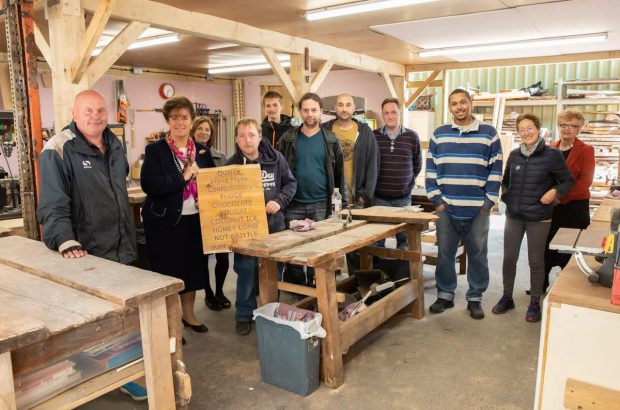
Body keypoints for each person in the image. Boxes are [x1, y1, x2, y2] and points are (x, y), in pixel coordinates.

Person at [37, 89, 145, 401]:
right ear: (74, 112)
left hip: (122, 247)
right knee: (98, 326)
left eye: (100, 110)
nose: (95, 116)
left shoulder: (114, 143)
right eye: (88, 110)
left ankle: (126, 371)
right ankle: (109, 376)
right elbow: (52, 205)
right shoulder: (58, 148)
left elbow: (118, 186)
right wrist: (64, 239)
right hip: (88, 253)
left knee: (126, 319)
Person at [425, 88, 503, 320]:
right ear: (449, 107)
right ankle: (446, 294)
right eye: (454, 104)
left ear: (470, 103)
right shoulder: (439, 134)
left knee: (478, 254)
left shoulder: (489, 134)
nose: (459, 107)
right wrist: (437, 201)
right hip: (446, 209)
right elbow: (431, 170)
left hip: (478, 209)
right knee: (445, 254)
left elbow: (496, 169)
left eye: (463, 102)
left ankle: (475, 297)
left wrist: (488, 202)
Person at [141, 96, 214, 336]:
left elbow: (212, 182)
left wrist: (207, 194)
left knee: (193, 271)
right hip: (165, 223)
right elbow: (149, 184)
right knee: (169, 273)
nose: (180, 122)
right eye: (174, 117)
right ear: (167, 120)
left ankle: (189, 316)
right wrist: (182, 177)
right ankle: (172, 325)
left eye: (184, 117)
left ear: (191, 120)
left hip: (195, 220)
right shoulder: (156, 150)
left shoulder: (201, 151)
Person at [492, 114, 574, 322]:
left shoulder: (552, 155)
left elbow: (567, 181)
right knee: (509, 259)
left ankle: (535, 302)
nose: (526, 132)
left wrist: (554, 192)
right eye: (521, 129)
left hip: (539, 217)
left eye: (529, 128)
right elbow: (506, 181)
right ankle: (507, 297)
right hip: (514, 216)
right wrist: (506, 197)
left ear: (538, 129)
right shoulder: (514, 155)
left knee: (536, 261)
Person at [227, 118, 296, 335]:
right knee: (246, 271)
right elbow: (222, 197)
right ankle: (243, 315)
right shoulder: (231, 165)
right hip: (245, 231)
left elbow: (291, 183)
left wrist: (279, 201)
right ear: (236, 139)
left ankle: (269, 312)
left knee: (273, 272)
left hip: (274, 227)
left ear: (259, 137)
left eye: (251, 135)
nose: (247, 140)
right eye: (242, 135)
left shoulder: (276, 159)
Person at [277, 92, 345, 286]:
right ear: (300, 112)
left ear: (321, 112)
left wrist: (341, 207)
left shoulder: (332, 140)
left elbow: (340, 176)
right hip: (293, 205)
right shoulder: (288, 139)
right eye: (305, 110)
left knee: (320, 253)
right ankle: (299, 294)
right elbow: (278, 171)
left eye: (314, 110)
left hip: (322, 205)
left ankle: (317, 293)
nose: (310, 114)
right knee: (294, 255)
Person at [542, 109, 595, 292]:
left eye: (573, 126)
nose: (567, 129)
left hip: (574, 207)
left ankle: (567, 289)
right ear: (559, 126)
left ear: (579, 129)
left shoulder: (586, 150)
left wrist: (560, 197)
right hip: (550, 207)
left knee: (569, 248)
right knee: (546, 246)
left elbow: (585, 181)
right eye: (564, 124)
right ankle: (541, 285)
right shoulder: (550, 148)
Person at [190, 116, 231, 311]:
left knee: (223, 257)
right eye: (200, 128)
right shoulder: (186, 156)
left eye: (207, 129)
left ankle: (220, 291)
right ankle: (208, 293)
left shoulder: (220, 156)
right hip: (197, 212)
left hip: (218, 211)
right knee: (203, 257)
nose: (204, 132)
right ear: (193, 130)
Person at [373, 97, 422, 249]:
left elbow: (417, 164)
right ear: (382, 115)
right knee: (377, 240)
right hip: (379, 199)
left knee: (404, 240)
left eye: (394, 112)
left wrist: (406, 183)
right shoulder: (374, 137)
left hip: (403, 199)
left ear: (400, 112)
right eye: (386, 113)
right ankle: (378, 271)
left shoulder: (412, 137)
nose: (390, 116)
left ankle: (402, 272)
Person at [325, 93, 379, 208]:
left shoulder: (365, 132)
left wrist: (365, 195)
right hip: (330, 199)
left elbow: (373, 165)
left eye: (348, 105)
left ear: (354, 107)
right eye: (340, 105)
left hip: (357, 200)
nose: (344, 109)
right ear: (335, 108)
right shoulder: (325, 131)